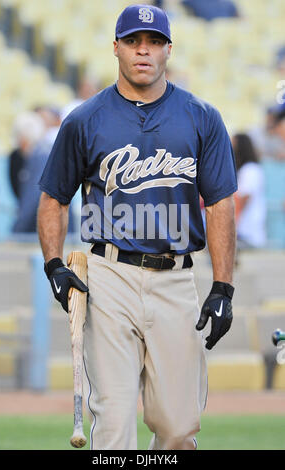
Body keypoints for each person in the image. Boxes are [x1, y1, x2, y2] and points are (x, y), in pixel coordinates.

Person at [37, 4, 237, 450]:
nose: (142, 51)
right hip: (110, 276)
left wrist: (223, 288)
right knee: (116, 416)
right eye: (132, 41)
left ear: (168, 50)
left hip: (176, 277)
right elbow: (54, 197)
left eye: (153, 42)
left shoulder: (201, 116)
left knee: (177, 427)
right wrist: (53, 264)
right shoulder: (85, 119)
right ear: (116, 48)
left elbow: (221, 204)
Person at [232, 133, 266, 249]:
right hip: (242, 233)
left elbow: (241, 200)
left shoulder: (250, 170)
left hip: (247, 234)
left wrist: (229, 227)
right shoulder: (243, 170)